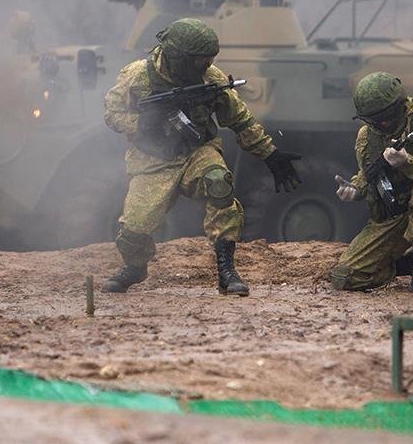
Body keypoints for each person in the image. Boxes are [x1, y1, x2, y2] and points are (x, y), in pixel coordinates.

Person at [102, 18, 301, 296]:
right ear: (176, 57)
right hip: (154, 160)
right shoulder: (137, 77)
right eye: (198, 62)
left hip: (198, 152)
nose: (204, 67)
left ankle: (227, 272)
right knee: (134, 229)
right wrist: (141, 124)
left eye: (208, 61)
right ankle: (135, 268)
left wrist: (270, 155)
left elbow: (240, 120)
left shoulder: (211, 79)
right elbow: (111, 113)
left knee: (219, 182)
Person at [330, 71, 413, 294]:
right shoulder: (366, 136)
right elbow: (368, 173)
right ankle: (403, 265)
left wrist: (408, 163)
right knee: (345, 277)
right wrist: (355, 188)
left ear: (400, 106)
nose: (382, 124)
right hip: (393, 214)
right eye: (375, 120)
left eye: (387, 117)